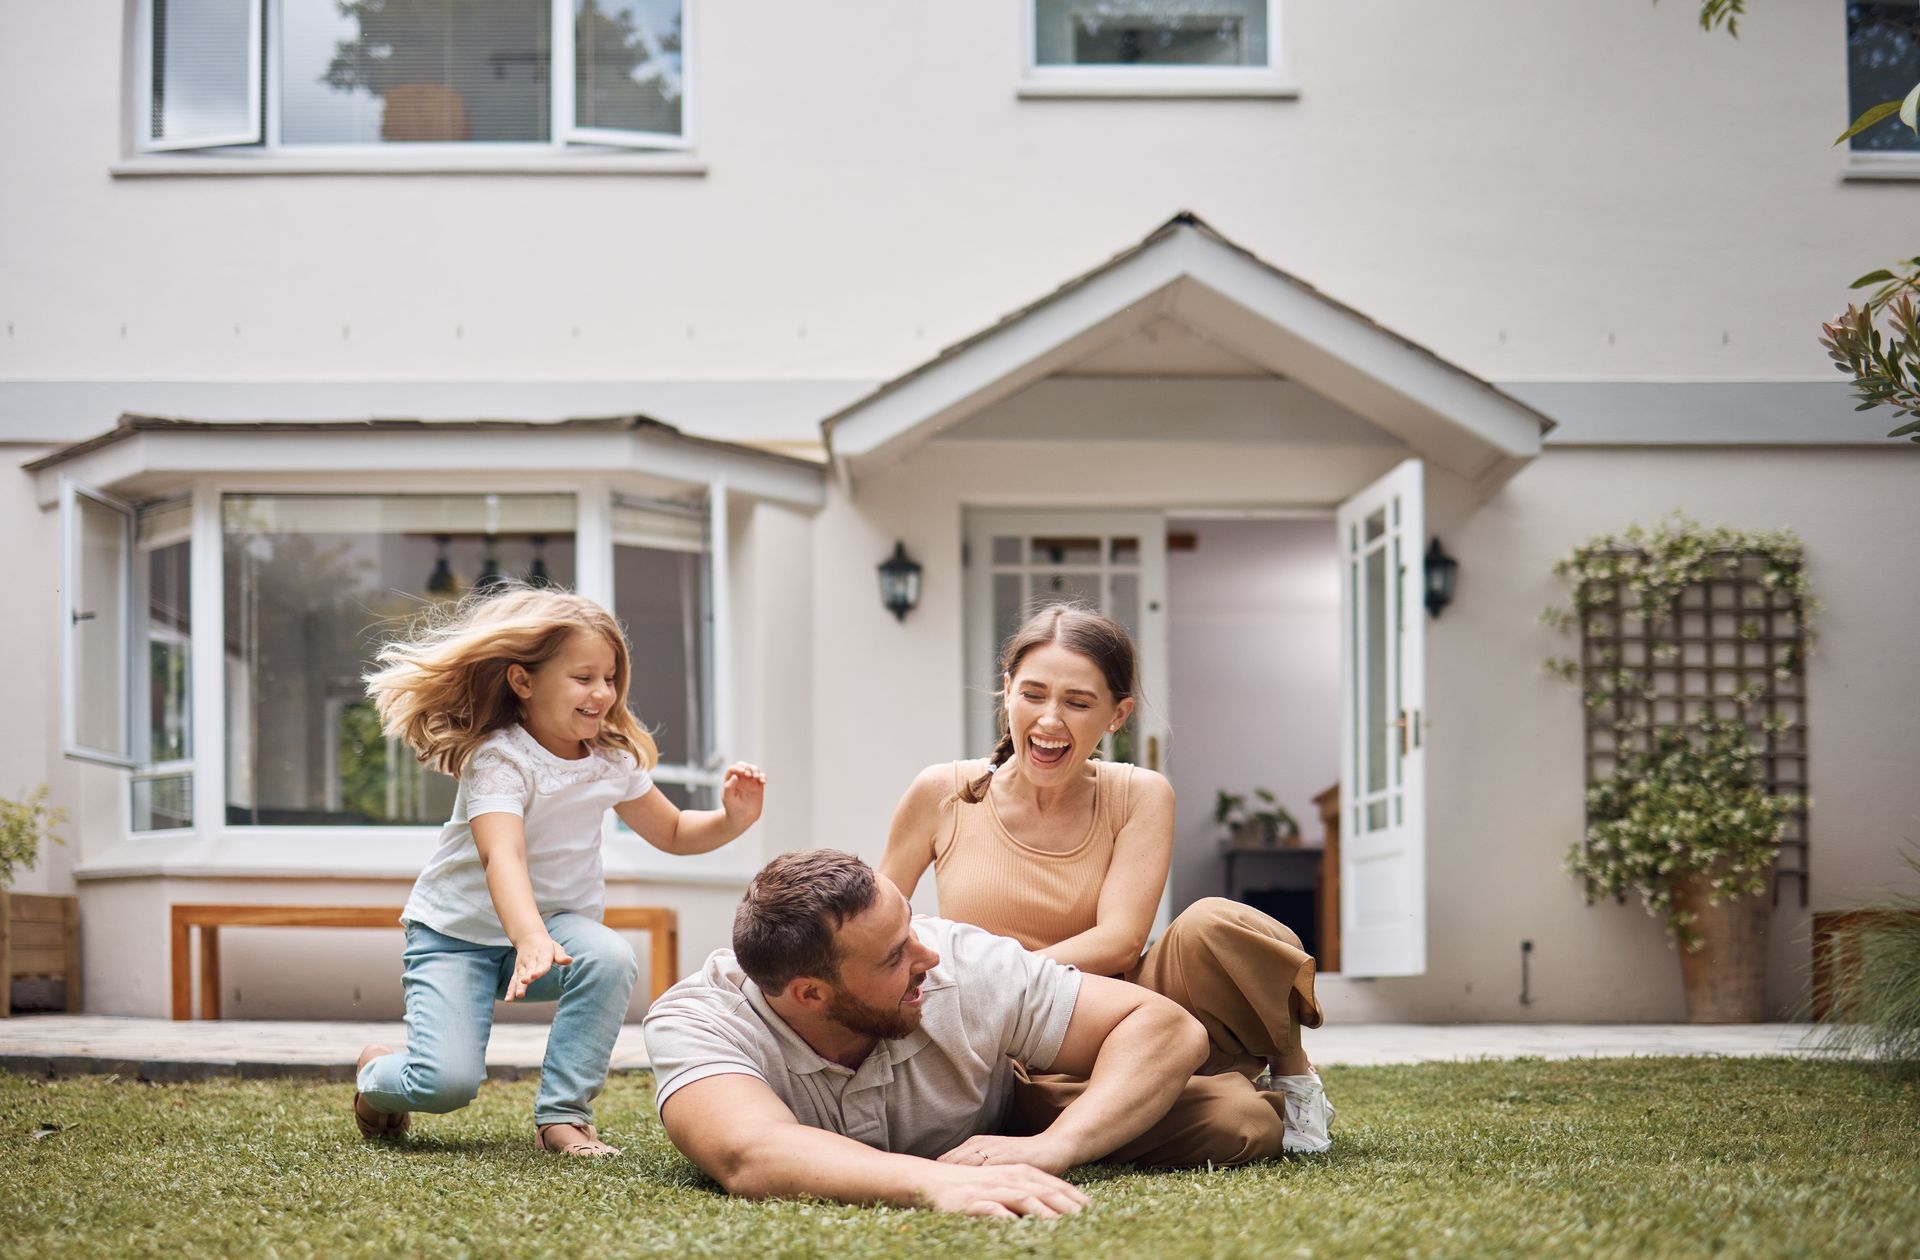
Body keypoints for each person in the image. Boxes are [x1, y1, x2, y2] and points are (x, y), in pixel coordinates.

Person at [879, 603, 1334, 1161]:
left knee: (1221, 921)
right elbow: (877, 920)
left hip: (1127, 1012)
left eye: (1078, 703)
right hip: (1018, 1055)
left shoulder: (1140, 793)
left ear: (1117, 715)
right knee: (1240, 1123)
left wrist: (990, 976)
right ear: (1008, 691)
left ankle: (1294, 1076)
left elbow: (1119, 942)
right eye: (1033, 694)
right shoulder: (941, 791)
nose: (1050, 720)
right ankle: (1197, 1089)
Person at [351, 584, 766, 1157]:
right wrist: (528, 937)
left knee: (610, 956)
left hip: (554, 933)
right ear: (523, 682)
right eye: (583, 677)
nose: (603, 692)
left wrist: (732, 819)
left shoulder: (611, 761)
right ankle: (377, 1071)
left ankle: (564, 1117)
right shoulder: (500, 758)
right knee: (444, 1085)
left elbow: (672, 832)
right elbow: (503, 855)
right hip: (455, 938)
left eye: (610, 678)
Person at [642, 849, 1214, 1217]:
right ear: (809, 994)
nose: (927, 956)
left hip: (1024, 1100)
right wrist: (937, 1183)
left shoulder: (962, 960)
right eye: (895, 956)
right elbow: (750, 1153)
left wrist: (1053, 1147)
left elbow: (1165, 1027)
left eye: (910, 924)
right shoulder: (697, 1019)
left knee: (1234, 1122)